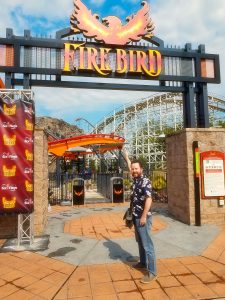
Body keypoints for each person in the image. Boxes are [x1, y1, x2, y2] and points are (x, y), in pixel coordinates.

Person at [123, 148, 157, 284]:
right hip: (136, 216)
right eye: (132, 169)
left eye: (136, 169)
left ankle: (153, 272)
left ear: (141, 169)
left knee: (148, 245)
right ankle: (143, 263)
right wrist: (126, 157)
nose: (134, 170)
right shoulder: (136, 179)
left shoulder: (145, 181)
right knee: (140, 242)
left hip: (143, 217)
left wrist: (143, 217)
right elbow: (130, 165)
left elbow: (149, 199)